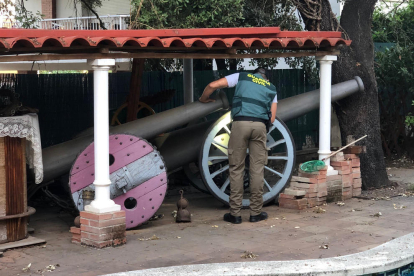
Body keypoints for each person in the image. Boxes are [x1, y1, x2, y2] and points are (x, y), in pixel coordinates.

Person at [199, 68, 277, 224]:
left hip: (240, 124)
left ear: (253, 73)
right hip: (260, 127)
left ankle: (235, 214)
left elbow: (213, 85)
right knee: (257, 169)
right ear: (265, 77)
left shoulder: (242, 77)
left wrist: (203, 98)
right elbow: (273, 118)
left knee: (236, 168)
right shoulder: (271, 87)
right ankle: (256, 213)